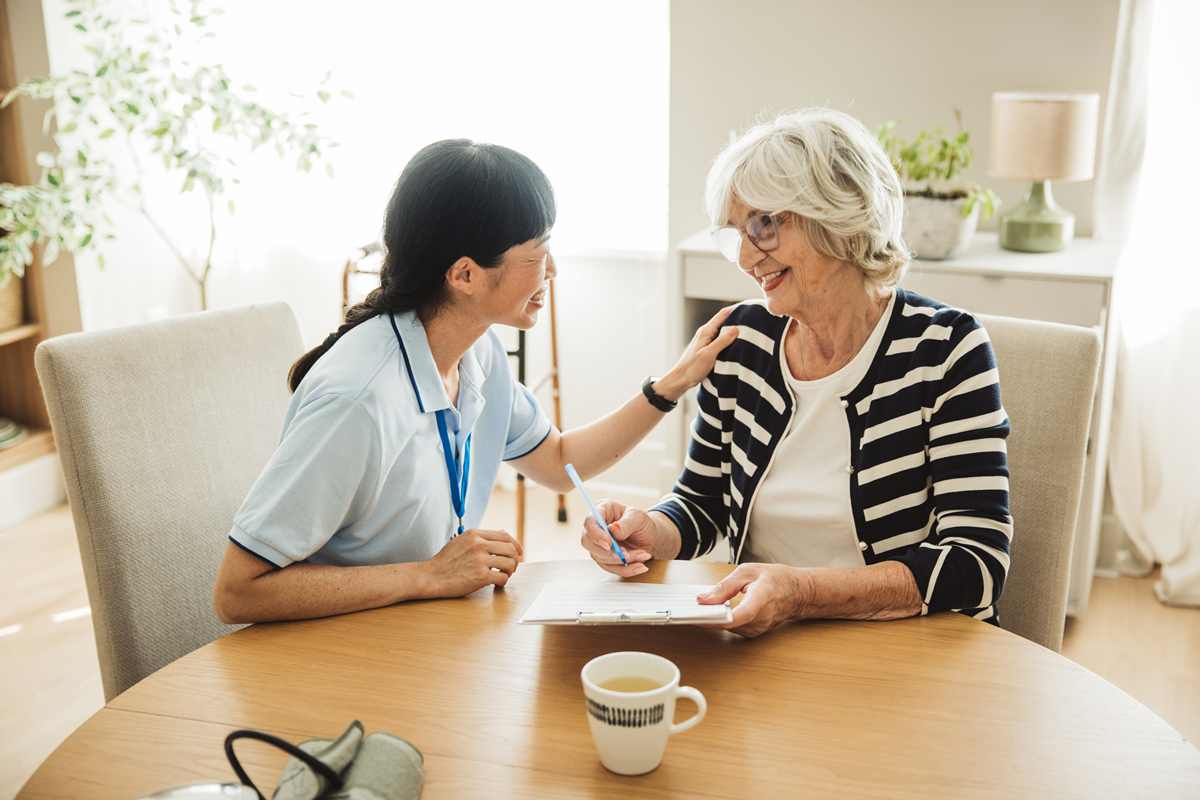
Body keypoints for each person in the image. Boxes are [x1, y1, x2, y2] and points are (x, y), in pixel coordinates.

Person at [212, 139, 737, 623]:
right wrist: (428, 575)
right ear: (464, 275)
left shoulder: (477, 351)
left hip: (420, 632)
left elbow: (557, 463)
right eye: (537, 255)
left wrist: (672, 384)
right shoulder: (358, 401)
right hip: (342, 648)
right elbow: (238, 591)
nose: (552, 270)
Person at [580, 109, 1012, 638]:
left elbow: (978, 563)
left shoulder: (945, 348)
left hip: (901, 643)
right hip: (761, 635)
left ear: (839, 215)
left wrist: (803, 594)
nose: (743, 257)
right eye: (735, 233)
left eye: (763, 224)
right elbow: (702, 503)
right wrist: (652, 531)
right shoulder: (743, 341)